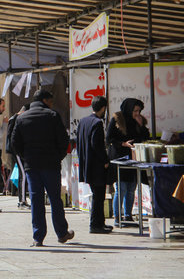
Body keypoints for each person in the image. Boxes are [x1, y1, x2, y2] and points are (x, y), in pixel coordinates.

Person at [11, 89, 74, 247]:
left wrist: (26, 157)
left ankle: (38, 237)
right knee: (55, 200)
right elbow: (63, 140)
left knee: (36, 200)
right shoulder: (52, 116)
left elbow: (14, 143)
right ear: (46, 100)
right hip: (51, 165)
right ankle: (61, 233)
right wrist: (57, 156)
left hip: (32, 166)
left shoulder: (22, 117)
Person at [106, 98, 149, 226]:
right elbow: (109, 138)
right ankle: (117, 217)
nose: (137, 113)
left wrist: (141, 126)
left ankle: (128, 215)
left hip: (133, 158)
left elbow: (145, 138)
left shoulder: (138, 121)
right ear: (129, 108)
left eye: (139, 111)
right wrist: (123, 144)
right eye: (135, 110)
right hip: (120, 158)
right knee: (121, 188)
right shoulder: (117, 118)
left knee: (131, 188)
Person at [77, 96, 113, 234]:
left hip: (87, 165)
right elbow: (96, 145)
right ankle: (95, 225)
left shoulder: (83, 121)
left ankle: (100, 223)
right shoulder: (97, 123)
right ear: (103, 108)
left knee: (97, 195)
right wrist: (105, 161)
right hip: (97, 166)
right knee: (98, 196)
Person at [7, 104, 30, 209]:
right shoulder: (17, 118)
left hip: (17, 150)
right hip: (18, 151)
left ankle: (23, 200)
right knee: (23, 174)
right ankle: (22, 201)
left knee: (23, 174)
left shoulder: (14, 117)